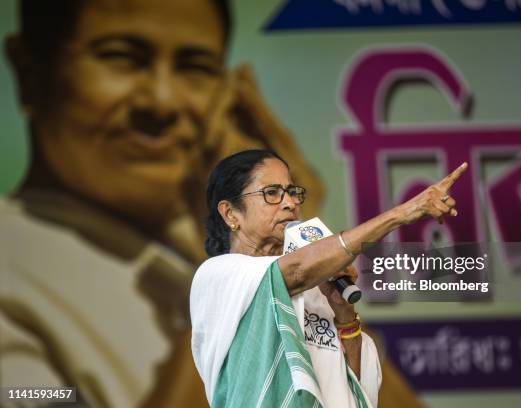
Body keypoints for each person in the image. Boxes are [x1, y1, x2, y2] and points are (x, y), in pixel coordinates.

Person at [0, 1, 322, 406]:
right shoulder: (13, 264)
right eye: (121, 57)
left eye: (195, 66)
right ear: (30, 74)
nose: (161, 103)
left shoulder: (181, 263)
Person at [191, 149, 466, 407]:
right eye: (272, 193)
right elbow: (295, 271)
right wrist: (403, 213)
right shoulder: (218, 275)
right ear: (230, 213)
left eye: (292, 192)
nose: (290, 203)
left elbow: (351, 389)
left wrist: (346, 319)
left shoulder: (315, 290)